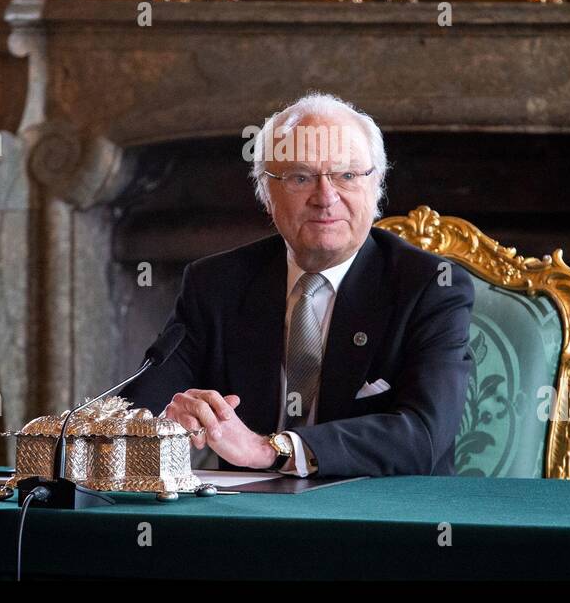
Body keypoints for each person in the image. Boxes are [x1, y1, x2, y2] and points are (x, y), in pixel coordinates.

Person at [124, 92, 475, 477]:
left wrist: (269, 450)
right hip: (246, 518)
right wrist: (170, 416)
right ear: (266, 193)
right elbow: (139, 406)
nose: (325, 198)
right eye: (300, 177)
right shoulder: (216, 284)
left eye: (346, 175)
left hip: (384, 516)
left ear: (377, 187)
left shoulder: (428, 287)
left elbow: (423, 435)